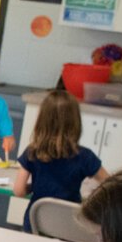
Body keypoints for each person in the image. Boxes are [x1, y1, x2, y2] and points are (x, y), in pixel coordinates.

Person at [13, 90, 107, 233]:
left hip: (36, 223)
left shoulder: (32, 152)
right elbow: (111, 184)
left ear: (41, 121)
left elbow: (18, 191)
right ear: (76, 123)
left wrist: (33, 187)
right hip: (69, 226)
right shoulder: (85, 157)